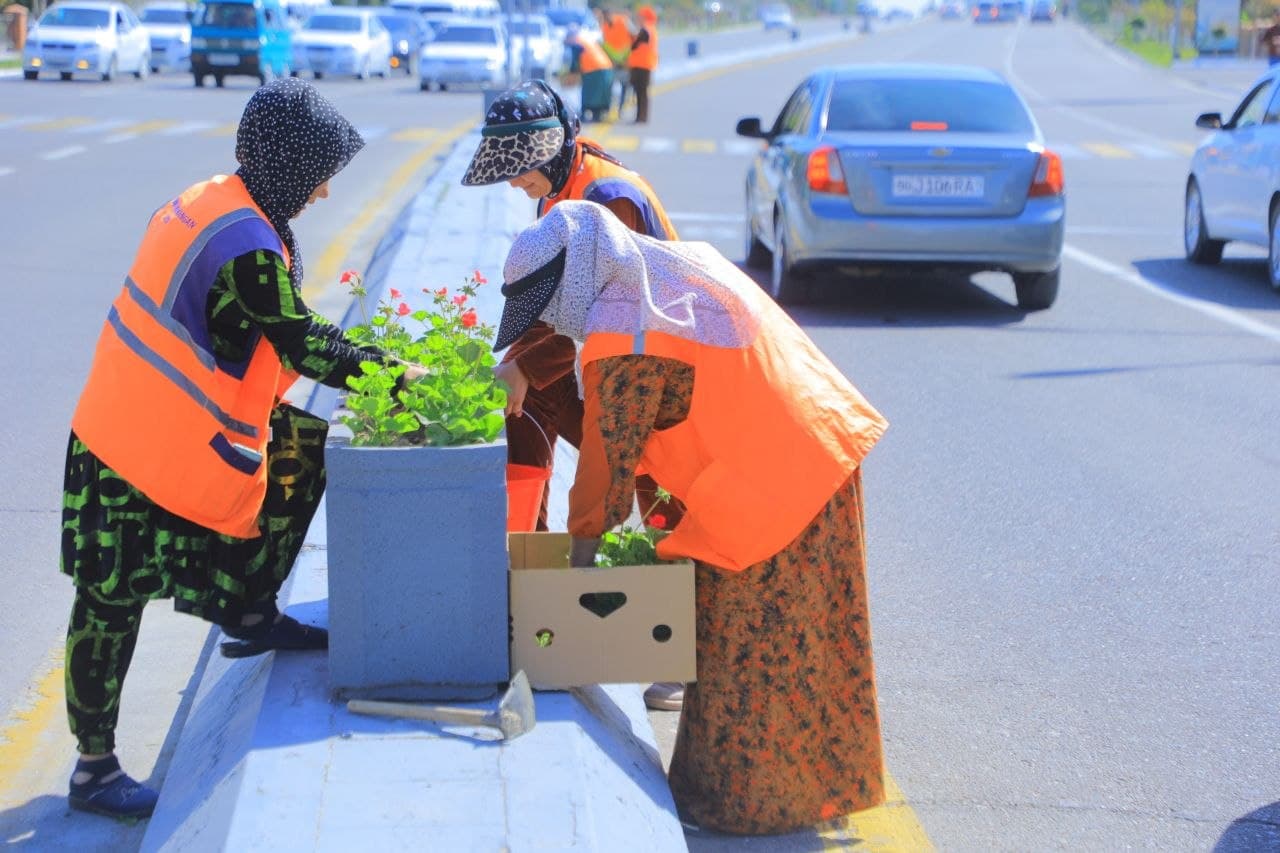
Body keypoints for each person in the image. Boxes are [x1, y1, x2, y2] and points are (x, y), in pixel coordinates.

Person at [58, 78, 425, 821]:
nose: (325, 192)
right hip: (129, 448)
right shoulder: (249, 245)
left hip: (150, 420)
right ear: (287, 164)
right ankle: (93, 767)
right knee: (109, 605)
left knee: (302, 448)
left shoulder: (217, 198)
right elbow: (301, 340)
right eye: (320, 172)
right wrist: (396, 375)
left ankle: (250, 611)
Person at [494, 200, 889, 835]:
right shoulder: (672, 268)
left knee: (744, 650)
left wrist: (575, 582)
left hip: (773, 482)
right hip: (823, 443)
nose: (546, 317)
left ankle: (742, 810)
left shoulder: (624, 335)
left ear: (573, 280)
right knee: (815, 637)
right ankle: (820, 791)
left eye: (545, 302)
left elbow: (605, 471)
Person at [460, 79, 687, 713]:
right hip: (611, 353)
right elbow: (551, 303)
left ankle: (680, 653)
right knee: (520, 406)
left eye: (518, 170)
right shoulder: (561, 192)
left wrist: (527, 367)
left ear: (553, 151)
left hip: (657, 359)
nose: (513, 184)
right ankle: (532, 581)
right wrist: (514, 368)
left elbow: (604, 310)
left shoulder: (609, 200)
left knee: (658, 490)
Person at [566, 27, 615, 122]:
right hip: (604, 66)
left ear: (571, 37)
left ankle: (588, 113)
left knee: (590, 93)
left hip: (595, 68)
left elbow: (574, 63)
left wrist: (571, 73)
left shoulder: (577, 43)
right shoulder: (585, 40)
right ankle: (597, 114)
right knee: (598, 93)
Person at [595, 6, 634, 117]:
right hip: (613, 62)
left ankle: (620, 109)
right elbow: (605, 44)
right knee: (609, 86)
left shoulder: (623, 21)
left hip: (625, 61)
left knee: (624, 86)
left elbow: (634, 37)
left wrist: (628, 55)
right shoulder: (604, 27)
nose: (605, 19)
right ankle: (607, 109)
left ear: (610, 14)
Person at [627, 6, 659, 124]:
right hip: (644, 65)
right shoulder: (650, 29)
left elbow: (634, 45)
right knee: (641, 93)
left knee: (641, 93)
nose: (638, 18)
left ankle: (641, 117)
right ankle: (641, 116)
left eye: (640, 16)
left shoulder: (645, 29)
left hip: (642, 66)